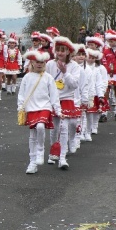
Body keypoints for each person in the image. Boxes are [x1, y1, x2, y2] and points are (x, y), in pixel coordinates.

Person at [18, 50, 62, 174]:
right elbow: (21, 94)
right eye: (37, 62)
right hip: (31, 108)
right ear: (32, 62)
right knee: (32, 134)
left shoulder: (48, 77)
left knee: (41, 127)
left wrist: (57, 110)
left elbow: (54, 95)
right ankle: (32, 162)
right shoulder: (27, 77)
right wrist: (20, 107)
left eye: (42, 62)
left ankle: (41, 150)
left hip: (44, 107)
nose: (39, 64)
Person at [46, 36, 80, 169]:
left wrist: (65, 73)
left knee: (64, 127)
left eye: (63, 50)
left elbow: (74, 85)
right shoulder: (49, 64)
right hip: (53, 100)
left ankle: (62, 158)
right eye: (58, 49)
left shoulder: (74, 66)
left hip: (67, 99)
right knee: (54, 128)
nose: (60, 52)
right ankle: (53, 152)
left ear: (68, 52)